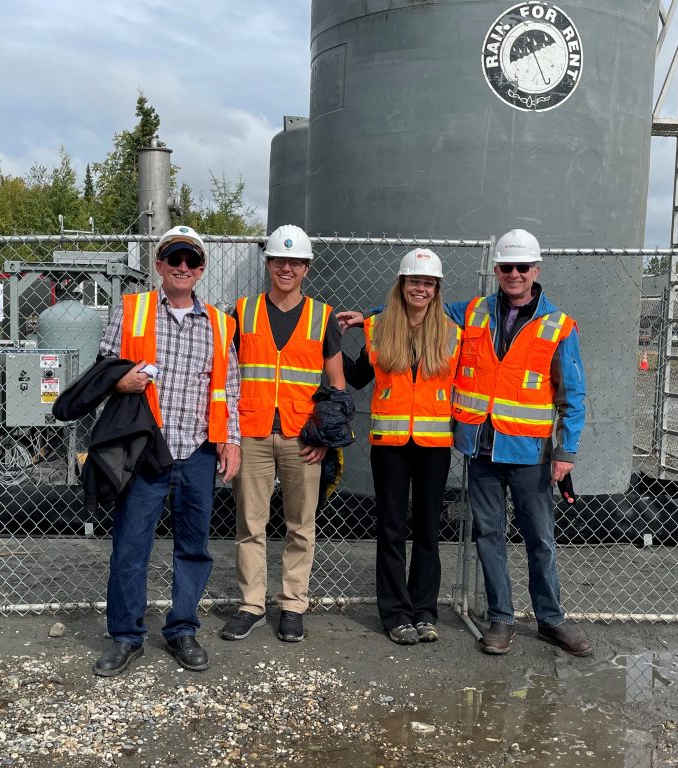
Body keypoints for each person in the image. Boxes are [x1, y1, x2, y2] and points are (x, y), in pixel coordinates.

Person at [92, 225, 240, 677]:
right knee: (131, 546)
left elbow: (228, 386)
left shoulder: (218, 322)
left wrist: (230, 439)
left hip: (196, 450)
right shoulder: (131, 310)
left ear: (200, 270)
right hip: (144, 450)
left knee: (193, 548)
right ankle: (126, 636)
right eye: (174, 259)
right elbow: (103, 370)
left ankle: (182, 630)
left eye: (190, 262)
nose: (182, 268)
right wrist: (122, 381)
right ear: (159, 265)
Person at [445, 228, 591, 657]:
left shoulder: (558, 326)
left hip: (530, 453)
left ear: (535, 271)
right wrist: (372, 315)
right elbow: (418, 307)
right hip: (482, 450)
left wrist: (565, 452)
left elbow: (573, 395)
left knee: (540, 539)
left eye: (521, 268)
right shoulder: (472, 312)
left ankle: (551, 620)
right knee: (489, 535)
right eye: (506, 267)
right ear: (496, 270)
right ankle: (502, 619)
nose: (514, 274)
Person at [221, 225, 346, 644]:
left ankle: (292, 605)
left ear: (307, 268)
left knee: (300, 525)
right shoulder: (243, 311)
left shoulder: (322, 316)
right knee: (249, 524)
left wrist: (325, 436)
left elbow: (337, 386)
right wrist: (229, 434)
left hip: (302, 438)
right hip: (252, 431)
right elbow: (226, 373)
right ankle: (251, 604)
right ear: (269, 263)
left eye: (294, 262)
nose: (286, 268)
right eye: (279, 260)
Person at [342, 248, 462, 645]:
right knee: (391, 529)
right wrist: (324, 341)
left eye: (428, 283)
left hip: (433, 445)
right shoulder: (378, 329)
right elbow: (358, 377)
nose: (421, 289)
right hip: (390, 445)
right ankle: (395, 614)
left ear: (436, 289)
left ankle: (425, 610)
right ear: (403, 285)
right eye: (414, 281)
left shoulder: (451, 333)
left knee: (429, 529)